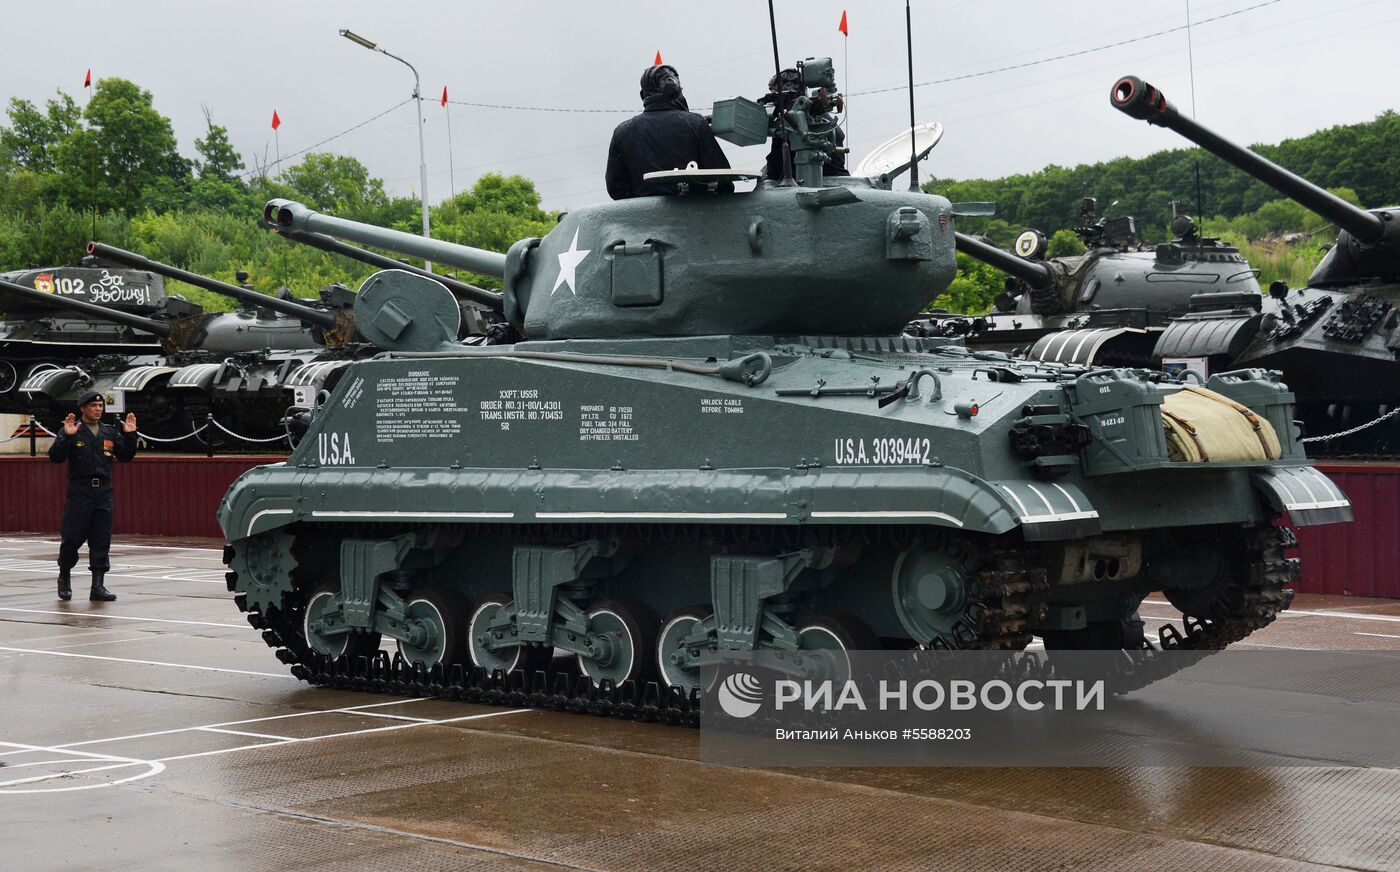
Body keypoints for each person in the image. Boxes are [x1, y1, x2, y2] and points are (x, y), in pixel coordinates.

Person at [47, 391, 137, 601]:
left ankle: (98, 586)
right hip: (80, 491)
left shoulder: (109, 432)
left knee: (101, 539)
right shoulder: (74, 430)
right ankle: (64, 578)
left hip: (103, 492)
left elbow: (125, 456)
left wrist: (130, 435)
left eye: (100, 405)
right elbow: (55, 457)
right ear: (82, 408)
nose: (98, 409)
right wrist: (67, 437)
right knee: (72, 538)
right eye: (93, 405)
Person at [605, 64, 733, 199]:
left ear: (643, 95)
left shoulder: (622, 132)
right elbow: (724, 180)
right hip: (695, 216)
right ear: (677, 91)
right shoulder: (695, 123)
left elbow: (616, 189)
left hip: (643, 217)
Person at [761, 68, 849, 182]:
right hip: (840, 178)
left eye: (773, 91)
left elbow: (776, 168)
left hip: (804, 181)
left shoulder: (788, 122)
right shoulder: (822, 116)